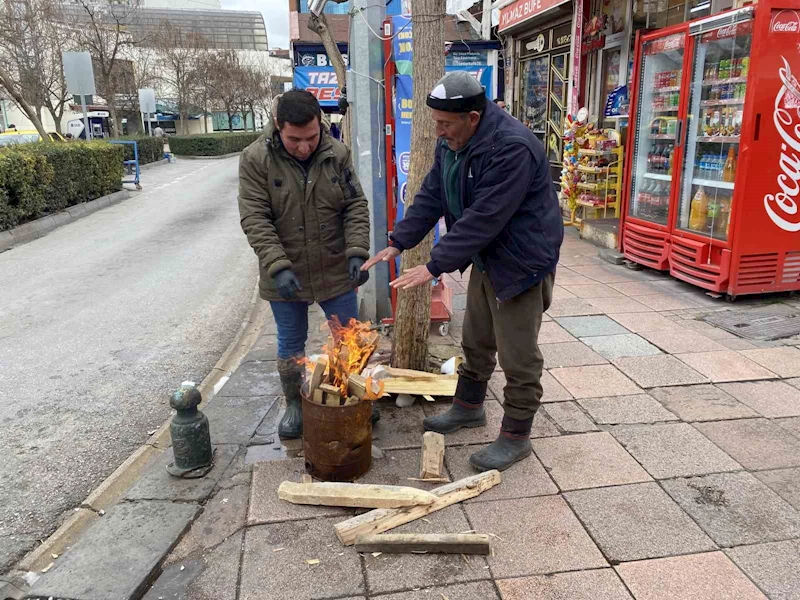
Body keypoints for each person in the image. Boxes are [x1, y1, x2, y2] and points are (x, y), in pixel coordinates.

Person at [363, 71, 563, 471]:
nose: (438, 131)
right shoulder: (454, 142)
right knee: (475, 340)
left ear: (473, 117)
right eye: (435, 121)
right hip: (488, 257)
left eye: (444, 123)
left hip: (522, 262)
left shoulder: (512, 147)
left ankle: (515, 437)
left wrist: (434, 265)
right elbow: (433, 193)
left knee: (518, 355)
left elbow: (485, 216)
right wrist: (399, 240)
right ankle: (469, 407)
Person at [238, 89, 372, 439]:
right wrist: (277, 266)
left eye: (311, 137)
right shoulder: (255, 159)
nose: (304, 147)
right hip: (287, 270)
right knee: (290, 343)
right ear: (278, 127)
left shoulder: (337, 154)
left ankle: (350, 396)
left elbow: (355, 205)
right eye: (295, 139)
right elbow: (255, 217)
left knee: (349, 337)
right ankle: (295, 404)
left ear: (321, 126)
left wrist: (357, 250)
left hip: (334, 265)